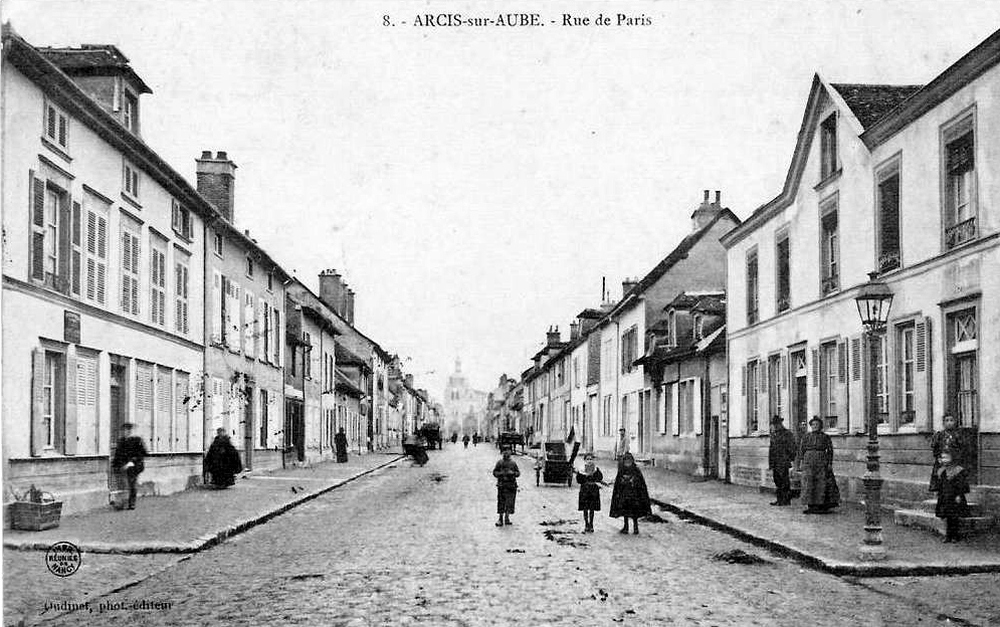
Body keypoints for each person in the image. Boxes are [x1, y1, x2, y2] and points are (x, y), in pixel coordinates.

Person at [930, 413, 974, 542]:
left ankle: (955, 535)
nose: (949, 423)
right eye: (947, 420)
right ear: (943, 423)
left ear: (955, 422)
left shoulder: (958, 435)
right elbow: (935, 450)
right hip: (943, 464)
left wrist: (956, 461)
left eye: (951, 420)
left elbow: (963, 450)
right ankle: (949, 535)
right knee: (946, 508)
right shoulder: (940, 435)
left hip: (954, 464)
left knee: (955, 510)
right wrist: (940, 459)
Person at [797, 416, 838, 514]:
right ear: (811, 426)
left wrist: (829, 463)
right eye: (813, 425)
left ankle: (821, 505)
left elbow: (830, 451)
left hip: (821, 461)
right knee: (809, 483)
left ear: (820, 426)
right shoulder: (806, 437)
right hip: (809, 462)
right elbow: (801, 450)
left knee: (821, 483)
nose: (815, 426)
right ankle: (810, 505)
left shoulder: (825, 437)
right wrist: (801, 462)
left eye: (817, 424)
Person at [609, 452, 652, 534]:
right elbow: (618, 484)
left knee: (634, 512)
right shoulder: (621, 470)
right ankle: (626, 527)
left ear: (632, 461)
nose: (628, 462)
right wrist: (622, 482)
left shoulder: (636, 470)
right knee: (625, 511)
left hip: (634, 495)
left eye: (629, 460)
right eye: (626, 460)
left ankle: (636, 527)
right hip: (624, 495)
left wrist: (633, 481)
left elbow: (641, 483)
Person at [112, 423, 147, 510]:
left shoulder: (137, 440)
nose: (124, 432)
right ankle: (121, 502)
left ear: (130, 431)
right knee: (122, 484)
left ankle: (132, 504)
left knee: (132, 484)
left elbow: (143, 453)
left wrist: (131, 462)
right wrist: (115, 465)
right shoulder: (121, 441)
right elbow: (117, 454)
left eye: (127, 430)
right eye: (123, 431)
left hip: (134, 466)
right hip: (123, 465)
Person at [768, 416, 796, 506]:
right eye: (774, 424)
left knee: (784, 481)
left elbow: (792, 447)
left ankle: (786, 500)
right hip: (775, 461)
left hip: (783, 461)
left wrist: (790, 458)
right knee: (777, 480)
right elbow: (771, 449)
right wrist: (771, 463)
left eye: (777, 424)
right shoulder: (773, 435)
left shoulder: (787, 434)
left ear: (781, 424)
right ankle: (779, 499)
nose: (775, 426)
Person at [576, 453, 604, 533]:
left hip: (593, 490)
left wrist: (595, 474)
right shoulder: (581, 469)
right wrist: (584, 476)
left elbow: (600, 478)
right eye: (587, 459)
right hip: (584, 490)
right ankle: (586, 524)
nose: (589, 461)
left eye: (591, 459)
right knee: (585, 508)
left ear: (593, 460)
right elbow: (579, 480)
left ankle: (591, 524)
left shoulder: (595, 469)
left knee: (592, 508)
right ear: (585, 460)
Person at [492, 447, 520, 526]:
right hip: (502, 485)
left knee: (510, 502)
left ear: (510, 453)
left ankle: (507, 517)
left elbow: (518, 473)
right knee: (501, 501)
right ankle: (500, 518)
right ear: (503, 453)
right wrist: (501, 474)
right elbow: (494, 472)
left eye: (508, 452)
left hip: (511, 485)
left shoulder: (513, 463)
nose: (506, 453)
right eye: (505, 452)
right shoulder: (499, 463)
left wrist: (513, 473)